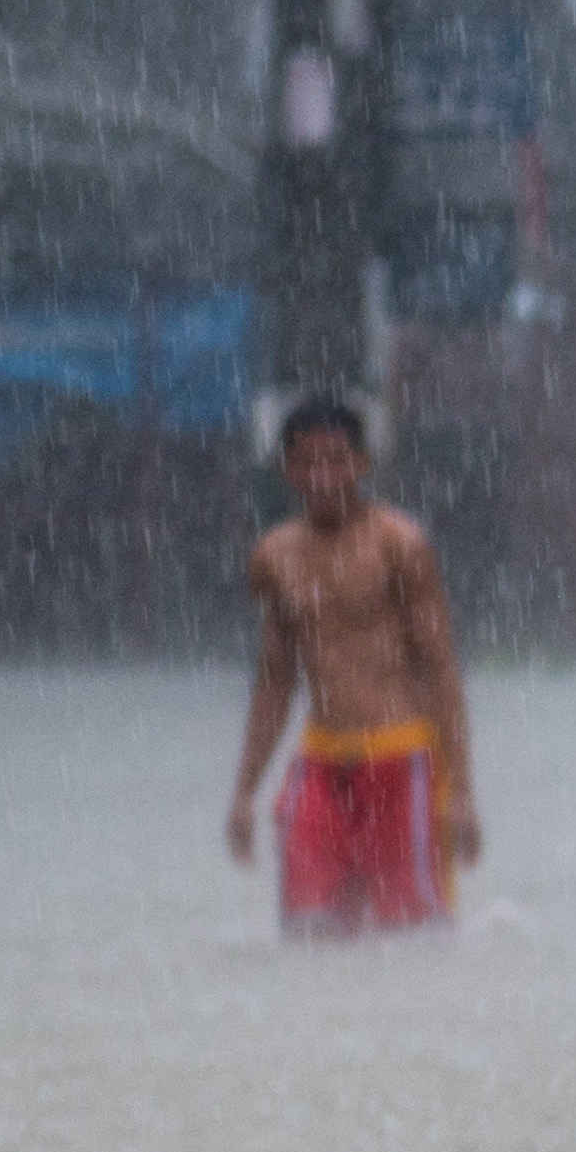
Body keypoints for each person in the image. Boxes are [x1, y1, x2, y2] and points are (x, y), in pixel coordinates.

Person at [228, 396, 479, 935]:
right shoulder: (274, 556)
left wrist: (462, 793)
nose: (323, 477)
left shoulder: (401, 544)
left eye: (337, 461)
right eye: (308, 463)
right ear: (287, 470)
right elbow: (274, 679)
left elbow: (440, 668)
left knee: (411, 942)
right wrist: (245, 792)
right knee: (308, 932)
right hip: (320, 763)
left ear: (363, 463)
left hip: (402, 759)